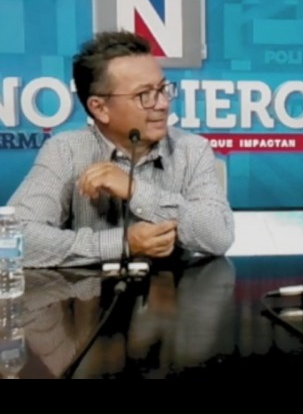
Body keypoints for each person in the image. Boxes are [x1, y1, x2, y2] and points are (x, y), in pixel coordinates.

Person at [7, 31, 234, 268]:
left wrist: (135, 190)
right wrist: (122, 243)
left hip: (172, 288)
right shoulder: (66, 151)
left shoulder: (191, 149)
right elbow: (14, 239)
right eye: (144, 95)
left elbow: (220, 236)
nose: (163, 104)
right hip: (87, 290)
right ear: (100, 108)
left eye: (162, 89)